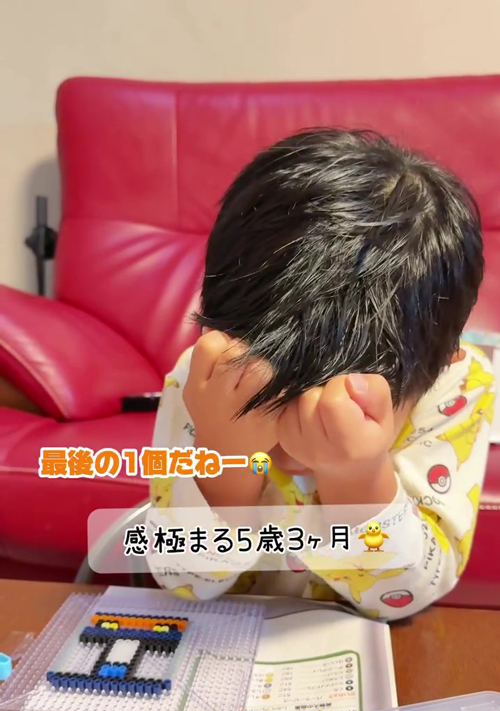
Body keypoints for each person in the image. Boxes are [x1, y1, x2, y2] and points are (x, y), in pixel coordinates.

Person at [146, 128, 494, 620]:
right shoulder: (206, 383)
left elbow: (408, 595)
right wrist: (224, 457)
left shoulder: (455, 386)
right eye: (274, 400)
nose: (299, 438)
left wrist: (356, 477)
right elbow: (179, 579)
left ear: (433, 369)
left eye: (346, 404)